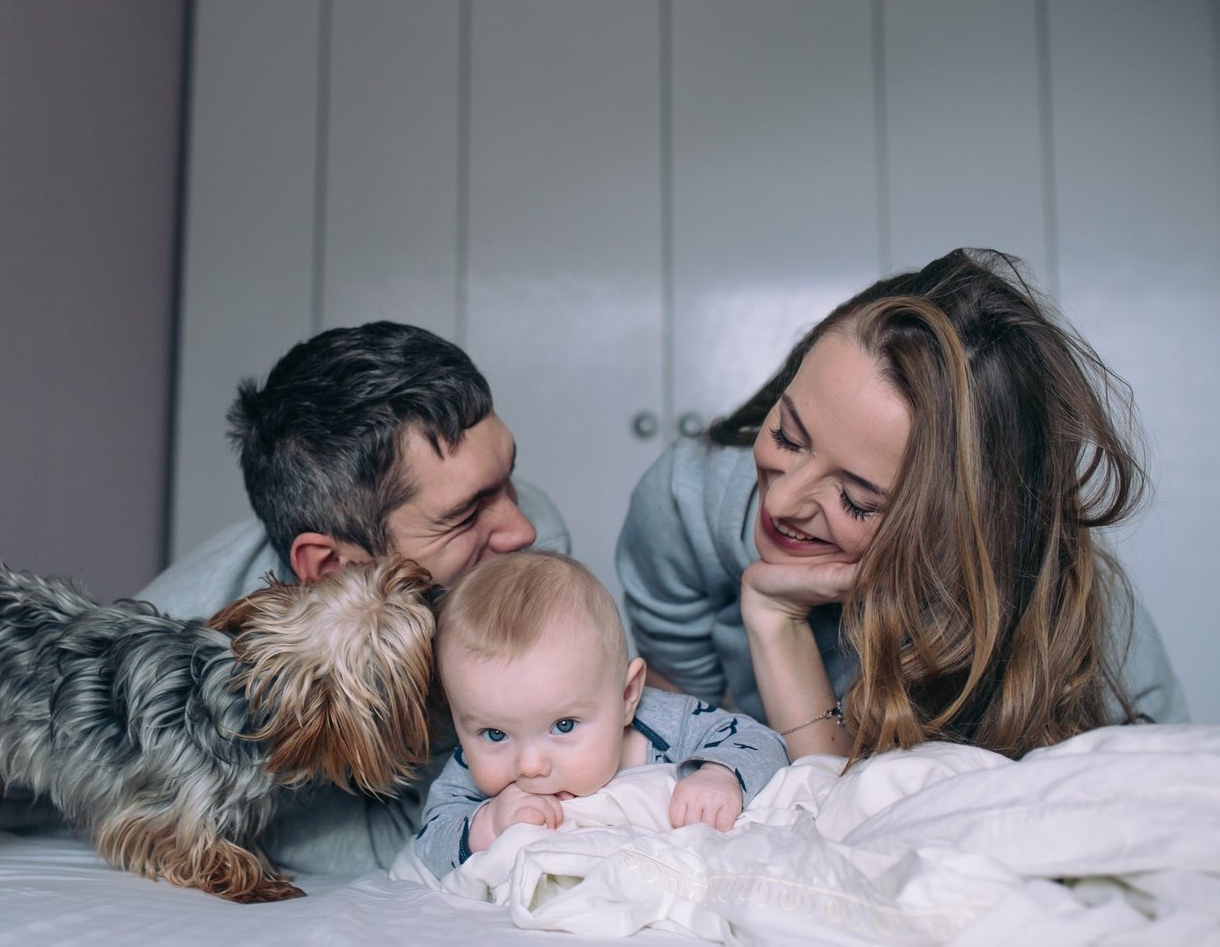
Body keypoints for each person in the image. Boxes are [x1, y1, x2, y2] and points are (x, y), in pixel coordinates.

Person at [618, 248, 1188, 765]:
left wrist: (777, 626)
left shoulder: (1061, 599)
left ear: (957, 532)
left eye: (857, 500)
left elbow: (1164, 801)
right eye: (788, 436)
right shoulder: (682, 504)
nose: (784, 501)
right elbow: (681, 750)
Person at [137, 320, 571, 873]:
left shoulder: (524, 543)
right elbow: (394, 840)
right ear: (332, 567)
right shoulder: (193, 672)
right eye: (464, 515)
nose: (524, 531)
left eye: (507, 476)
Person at [414, 551, 787, 879]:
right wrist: (487, 823)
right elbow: (430, 843)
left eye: (563, 726)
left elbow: (762, 741)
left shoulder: (665, 722)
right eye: (495, 734)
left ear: (627, 695)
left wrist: (720, 775)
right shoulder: (467, 770)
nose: (530, 766)